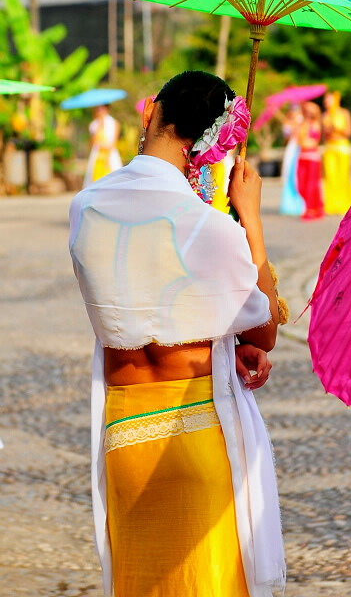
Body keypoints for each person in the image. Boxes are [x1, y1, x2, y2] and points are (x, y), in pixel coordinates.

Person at [69, 71, 286, 597]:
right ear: (206, 150)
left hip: (125, 438)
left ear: (150, 114)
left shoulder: (85, 207)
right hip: (196, 434)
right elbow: (265, 329)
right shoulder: (210, 227)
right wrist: (249, 223)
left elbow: (134, 302)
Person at [322, 90, 351, 215]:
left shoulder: (344, 113)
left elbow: (349, 132)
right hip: (329, 147)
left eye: (328, 99)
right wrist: (328, 129)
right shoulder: (325, 115)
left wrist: (336, 128)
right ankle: (332, 204)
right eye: (325, 100)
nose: (326, 102)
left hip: (342, 147)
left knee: (342, 175)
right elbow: (324, 136)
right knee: (330, 176)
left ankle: (346, 202)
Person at [297, 101, 325, 220]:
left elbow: (312, 142)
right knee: (301, 184)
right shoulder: (302, 124)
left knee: (311, 185)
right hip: (302, 156)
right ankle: (314, 206)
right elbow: (299, 140)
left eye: (310, 111)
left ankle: (313, 209)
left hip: (312, 158)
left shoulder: (316, 124)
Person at [83, 105, 122, 187]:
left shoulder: (114, 123)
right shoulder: (94, 125)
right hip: (97, 156)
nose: (100, 111)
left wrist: (107, 154)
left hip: (109, 155)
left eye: (102, 108)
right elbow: (92, 143)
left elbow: (114, 142)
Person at [280, 105, 305, 216]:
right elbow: (286, 138)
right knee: (289, 173)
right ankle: (290, 203)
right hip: (291, 148)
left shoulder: (302, 122)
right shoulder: (288, 123)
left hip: (299, 148)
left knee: (297, 175)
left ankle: (300, 202)